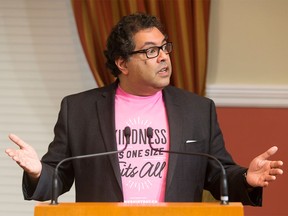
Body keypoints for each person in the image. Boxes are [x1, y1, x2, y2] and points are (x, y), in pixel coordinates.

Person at [5, 13, 283, 205]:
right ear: (122, 64)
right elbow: (60, 175)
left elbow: (218, 173)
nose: (163, 57)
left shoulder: (197, 110)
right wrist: (38, 172)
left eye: (165, 47)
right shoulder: (79, 109)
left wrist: (247, 177)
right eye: (151, 51)